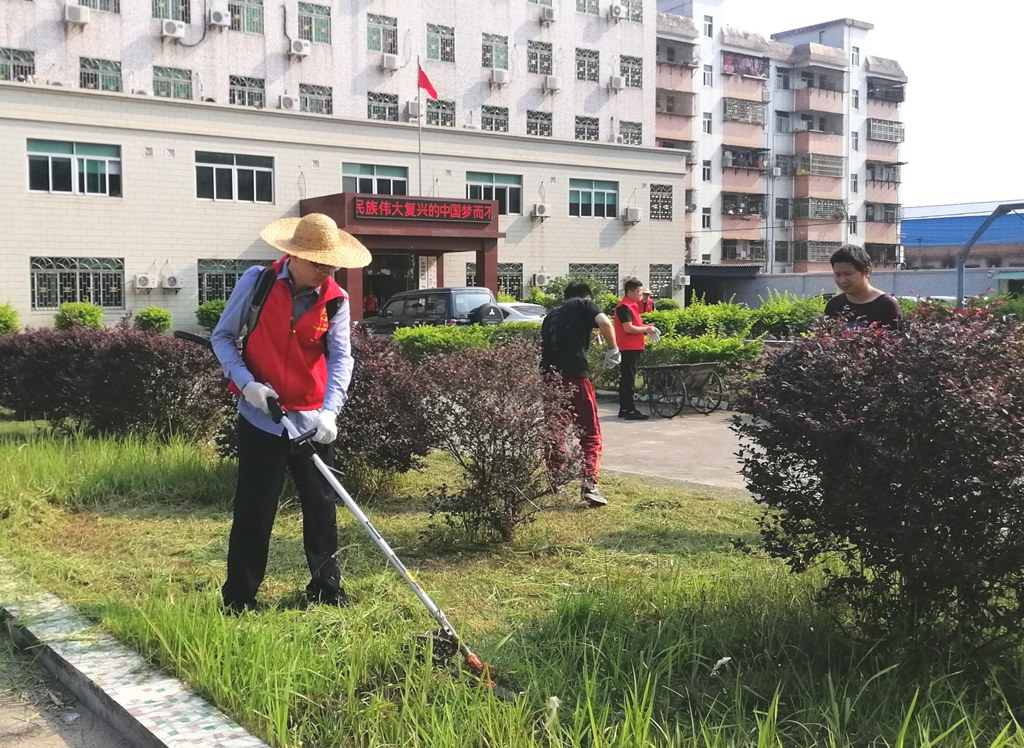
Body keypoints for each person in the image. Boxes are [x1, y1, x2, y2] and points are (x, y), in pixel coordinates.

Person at [211, 212, 371, 614]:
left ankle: (325, 589)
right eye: (318, 262)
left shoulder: (335, 299)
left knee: (321, 508)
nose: (325, 271)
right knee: (255, 508)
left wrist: (331, 412)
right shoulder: (258, 282)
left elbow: (340, 359)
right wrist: (248, 384)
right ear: (293, 255)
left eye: (331, 263)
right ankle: (240, 598)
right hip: (260, 416)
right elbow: (224, 337)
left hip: (312, 422)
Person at [541, 281, 619, 507]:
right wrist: (613, 348)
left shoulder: (551, 315)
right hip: (575, 374)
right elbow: (605, 322)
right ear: (587, 296)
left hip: (549, 376)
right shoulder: (584, 303)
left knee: (555, 431)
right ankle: (589, 485)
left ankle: (555, 479)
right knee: (590, 433)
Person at [824, 244, 902, 331]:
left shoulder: (887, 305)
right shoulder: (833, 305)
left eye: (848, 274)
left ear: (866, 272)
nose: (842, 280)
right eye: (838, 274)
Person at [614, 277, 659, 420]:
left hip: (632, 347)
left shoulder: (630, 306)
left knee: (627, 379)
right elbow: (628, 328)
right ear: (629, 292)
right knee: (628, 379)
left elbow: (634, 326)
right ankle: (629, 410)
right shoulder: (624, 307)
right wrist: (646, 329)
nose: (641, 294)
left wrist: (646, 327)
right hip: (628, 348)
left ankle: (625, 409)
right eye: (639, 291)